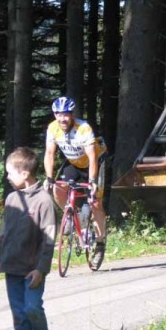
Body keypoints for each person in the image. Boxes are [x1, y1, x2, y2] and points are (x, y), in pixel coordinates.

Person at [0, 147, 56, 330]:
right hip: (12, 267)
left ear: (25, 172)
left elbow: (48, 240)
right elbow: (4, 233)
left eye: (10, 172)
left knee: (32, 308)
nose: (7, 177)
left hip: (32, 270)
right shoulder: (11, 199)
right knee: (19, 314)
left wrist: (41, 268)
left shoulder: (44, 201)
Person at [43, 96, 108, 269]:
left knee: (95, 203)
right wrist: (49, 178)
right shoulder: (53, 128)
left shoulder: (83, 129)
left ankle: (100, 243)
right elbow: (49, 154)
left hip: (93, 163)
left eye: (65, 115)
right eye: (58, 114)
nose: (62, 118)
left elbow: (93, 157)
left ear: (71, 115)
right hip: (73, 162)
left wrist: (92, 181)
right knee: (58, 189)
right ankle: (75, 216)